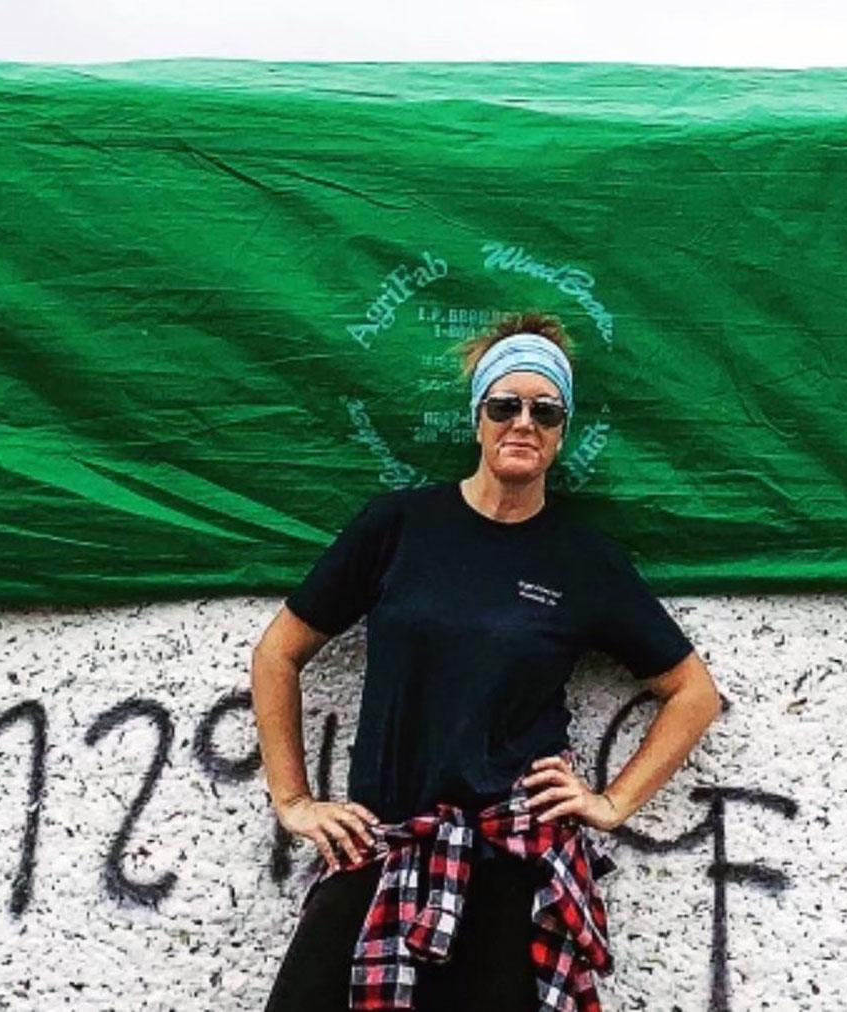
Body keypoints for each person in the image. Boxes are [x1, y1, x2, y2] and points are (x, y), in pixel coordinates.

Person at [252, 312, 722, 1011]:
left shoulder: (583, 562)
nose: (523, 422)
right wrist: (293, 801)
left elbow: (693, 692)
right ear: (478, 420)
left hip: (512, 866)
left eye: (545, 410)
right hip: (382, 847)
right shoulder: (397, 527)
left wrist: (610, 801)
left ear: (562, 431)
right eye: (505, 405)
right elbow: (277, 654)